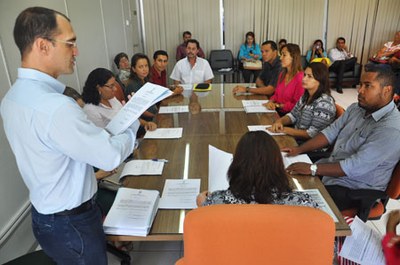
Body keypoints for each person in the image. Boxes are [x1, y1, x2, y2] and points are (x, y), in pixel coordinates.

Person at [0, 7, 140, 264]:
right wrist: (132, 125)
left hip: (45, 216)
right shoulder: (55, 107)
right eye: (70, 43)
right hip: (72, 221)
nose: (76, 52)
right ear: (43, 45)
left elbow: (66, 146)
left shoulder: (12, 98)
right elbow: (108, 157)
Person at [284, 64, 400, 219]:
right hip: (332, 169)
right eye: (360, 85)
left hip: (354, 187)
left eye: (367, 86)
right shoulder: (356, 109)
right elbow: (329, 133)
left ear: (386, 90)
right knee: (284, 173)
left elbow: (354, 167)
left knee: (295, 202)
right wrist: (299, 150)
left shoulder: (390, 128)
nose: (360, 90)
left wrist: (313, 169)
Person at [196, 131, 317, 208]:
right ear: (278, 165)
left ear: (236, 164)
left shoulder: (217, 201)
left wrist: (202, 204)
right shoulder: (303, 203)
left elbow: (206, 221)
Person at [269, 62, 336, 141]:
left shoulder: (324, 103)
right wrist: (280, 121)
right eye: (304, 75)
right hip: (296, 138)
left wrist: (285, 130)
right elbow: (293, 115)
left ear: (320, 80)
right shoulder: (305, 96)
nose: (304, 79)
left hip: (309, 147)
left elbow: (313, 134)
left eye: (309, 76)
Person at [82, 67, 157, 130]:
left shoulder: (111, 99)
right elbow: (102, 139)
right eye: (111, 86)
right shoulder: (90, 110)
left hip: (130, 136)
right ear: (98, 88)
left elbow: (126, 117)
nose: (115, 89)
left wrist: (146, 124)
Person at [265, 43, 304, 115]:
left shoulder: (300, 78)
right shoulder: (282, 74)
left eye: (284, 55)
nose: (280, 58)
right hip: (277, 111)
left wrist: (278, 105)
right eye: (281, 55)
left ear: (293, 57)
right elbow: (276, 95)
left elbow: (296, 105)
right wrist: (270, 101)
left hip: (290, 116)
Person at [125, 53, 158, 121]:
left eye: (146, 66)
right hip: (145, 121)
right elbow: (138, 110)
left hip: (154, 113)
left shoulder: (146, 80)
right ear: (134, 69)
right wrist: (156, 116)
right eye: (140, 67)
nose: (144, 69)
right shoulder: (132, 85)